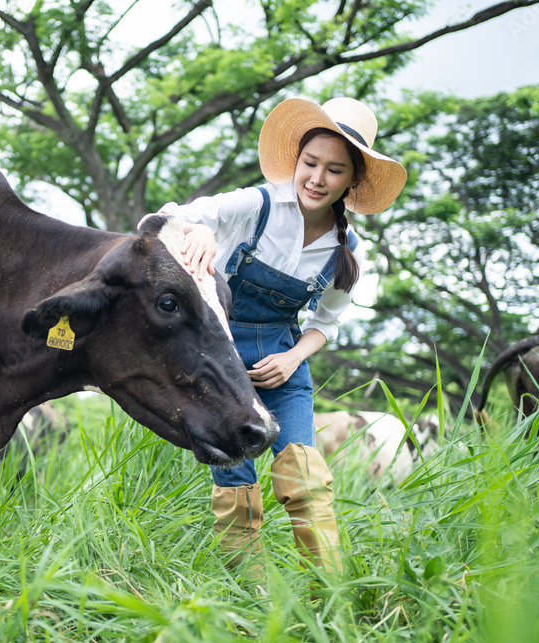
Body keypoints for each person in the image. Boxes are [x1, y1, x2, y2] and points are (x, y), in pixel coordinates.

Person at [156, 97, 406, 577]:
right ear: (297, 160)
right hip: (222, 359)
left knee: (306, 478)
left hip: (284, 361)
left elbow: (324, 325)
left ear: (351, 181)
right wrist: (199, 232)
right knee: (236, 480)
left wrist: (293, 358)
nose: (317, 178)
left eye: (334, 170)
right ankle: (248, 591)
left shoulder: (348, 249)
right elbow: (174, 216)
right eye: (310, 163)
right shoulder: (259, 204)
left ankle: (327, 592)